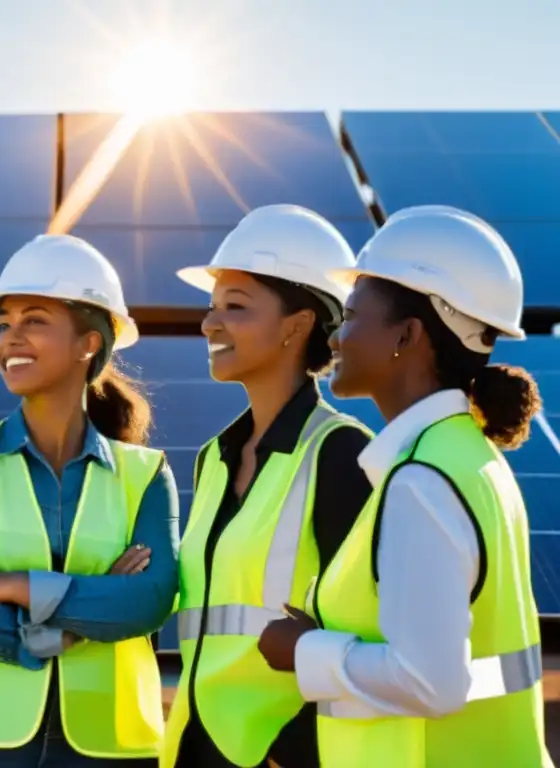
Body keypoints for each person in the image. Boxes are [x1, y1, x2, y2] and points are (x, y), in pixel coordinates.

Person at [258, 205, 552, 767]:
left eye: (350, 316)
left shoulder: (422, 480)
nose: (335, 336)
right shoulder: (466, 455)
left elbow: (430, 682)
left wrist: (303, 651)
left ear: (407, 335)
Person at [0, 233, 180, 767]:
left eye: (34, 320)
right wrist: (67, 629)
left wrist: (16, 586)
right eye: (5, 323)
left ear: (90, 342)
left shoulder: (147, 475)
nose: (9, 339)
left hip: (109, 747)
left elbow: (148, 601)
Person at [162, 204, 374, 768]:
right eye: (212, 307)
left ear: (298, 324)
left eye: (236, 308)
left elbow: (366, 635)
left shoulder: (342, 454)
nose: (210, 324)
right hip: (195, 745)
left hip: (288, 751)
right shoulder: (212, 459)